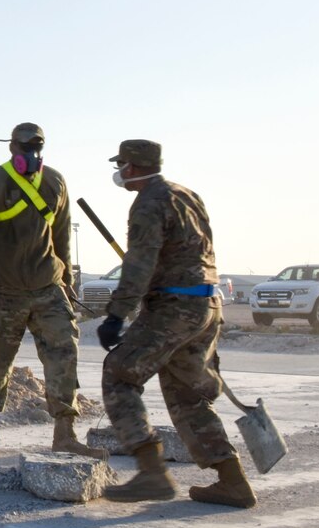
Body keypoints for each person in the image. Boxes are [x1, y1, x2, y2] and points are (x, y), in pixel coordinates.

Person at [97, 139, 254, 508]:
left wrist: (118, 313)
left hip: (173, 306)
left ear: (132, 167)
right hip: (208, 304)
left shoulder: (148, 203)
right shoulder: (187, 195)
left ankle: (152, 472)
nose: (119, 171)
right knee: (187, 393)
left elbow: (140, 263)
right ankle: (233, 482)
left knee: (119, 373)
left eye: (121, 164)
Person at [0, 124, 100, 458]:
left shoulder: (55, 181)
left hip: (47, 287)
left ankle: (64, 433)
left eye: (36, 145)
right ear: (11, 147)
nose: (30, 151)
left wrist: (66, 280)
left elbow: (62, 236)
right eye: (25, 145)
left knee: (63, 356)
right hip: (3, 291)